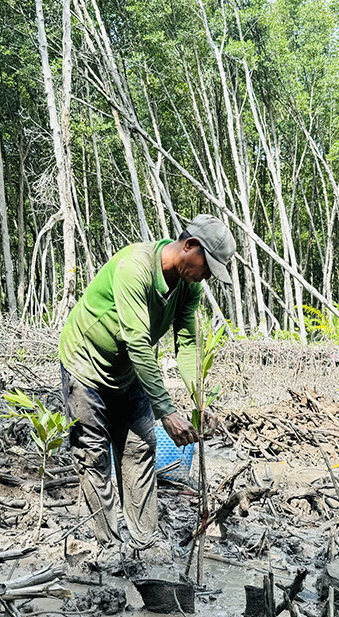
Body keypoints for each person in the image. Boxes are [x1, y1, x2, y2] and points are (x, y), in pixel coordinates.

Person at [58, 215, 236, 559]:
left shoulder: (190, 287)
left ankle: (144, 540)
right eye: (208, 266)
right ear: (190, 246)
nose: (207, 276)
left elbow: (186, 345)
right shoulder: (134, 267)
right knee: (93, 456)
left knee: (140, 446)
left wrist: (198, 400)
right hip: (84, 365)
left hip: (128, 372)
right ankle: (109, 544)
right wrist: (167, 411)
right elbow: (138, 342)